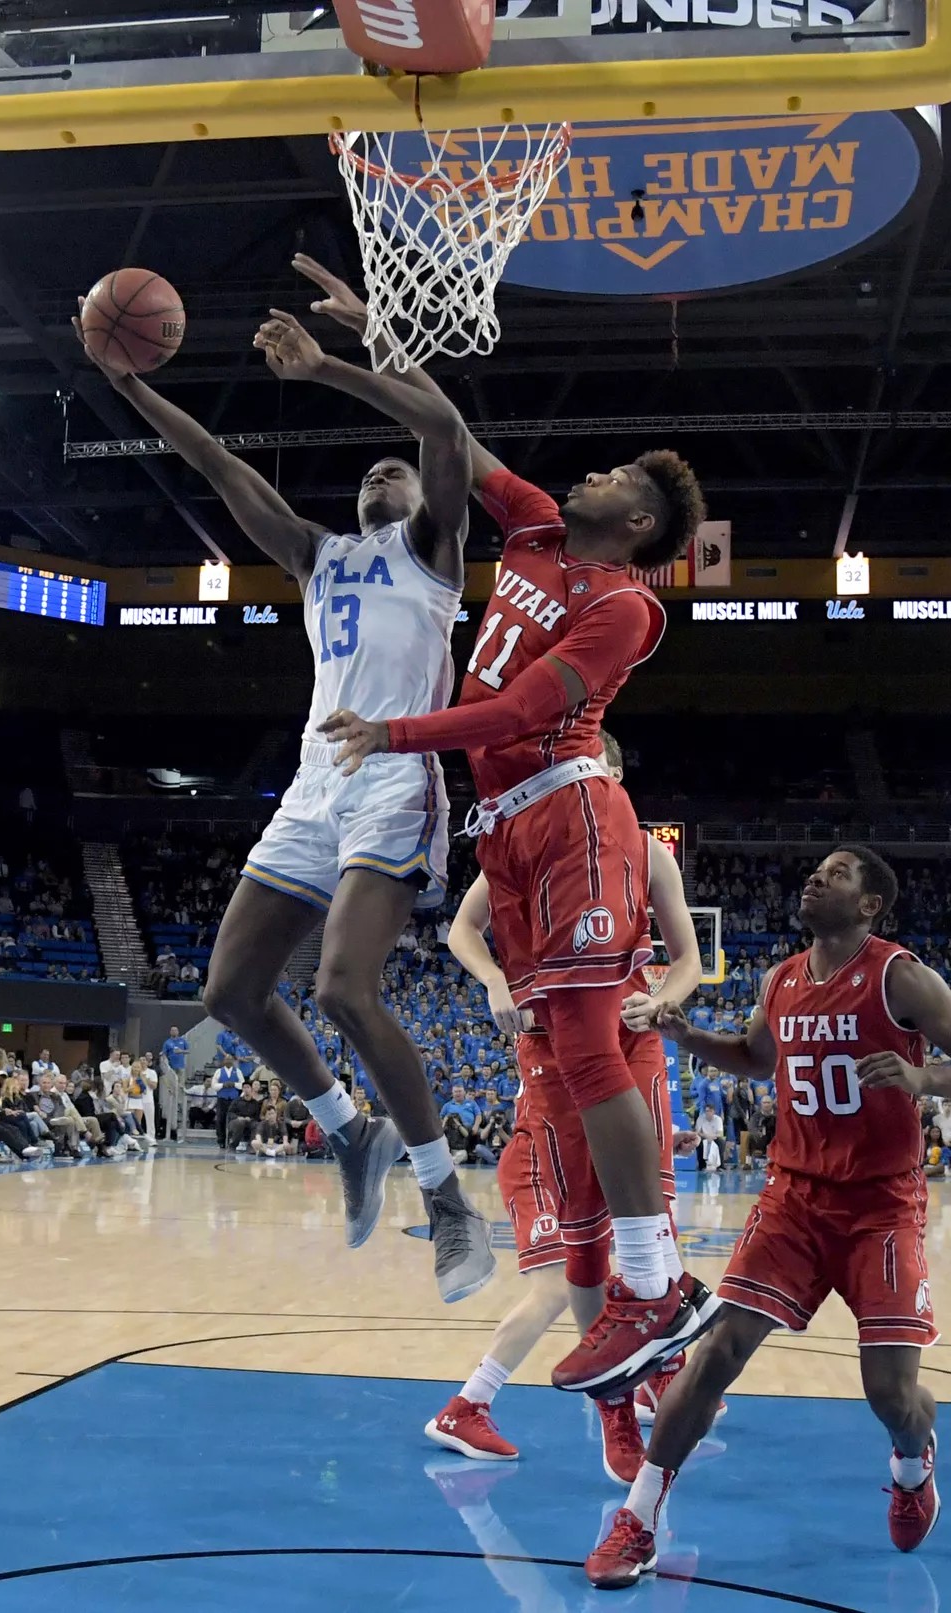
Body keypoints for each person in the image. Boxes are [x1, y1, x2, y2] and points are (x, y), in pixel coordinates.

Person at [312, 250, 709, 1390]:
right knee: (571, 1047)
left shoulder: (625, 604)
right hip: (511, 831)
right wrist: (359, 346)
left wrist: (393, 733)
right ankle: (639, 1288)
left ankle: (651, 1284)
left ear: (634, 517)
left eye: (612, 474)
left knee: (590, 1049)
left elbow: (530, 706)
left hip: (574, 812)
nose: (583, 473)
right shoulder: (534, 527)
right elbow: (448, 431)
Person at [80, 290, 492, 1302]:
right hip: (314, 783)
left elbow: (442, 426)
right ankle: (354, 1136)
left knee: (343, 989)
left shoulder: (434, 552)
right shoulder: (316, 557)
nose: (382, 470)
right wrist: (127, 383)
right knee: (227, 992)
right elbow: (216, 463)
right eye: (369, 469)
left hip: (394, 772)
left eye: (389, 467)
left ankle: (446, 1199)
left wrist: (333, 365)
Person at [587, 846, 951, 1587]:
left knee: (891, 1393)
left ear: (870, 905)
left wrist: (924, 1076)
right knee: (717, 1350)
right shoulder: (781, 978)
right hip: (793, 1196)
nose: (815, 876)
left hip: (881, 1205)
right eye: (815, 869)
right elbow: (757, 1057)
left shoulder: (899, 976)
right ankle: (641, 1517)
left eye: (837, 873)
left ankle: (913, 1461)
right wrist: (687, 1035)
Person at [425, 761, 701, 1480]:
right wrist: (492, 978)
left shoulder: (647, 851)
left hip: (631, 1036)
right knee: (580, 1249)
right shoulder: (522, 842)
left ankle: (657, 1366)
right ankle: (617, 1400)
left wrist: (664, 997)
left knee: (654, 1214)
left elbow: (689, 960)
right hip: (550, 1050)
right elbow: (461, 928)